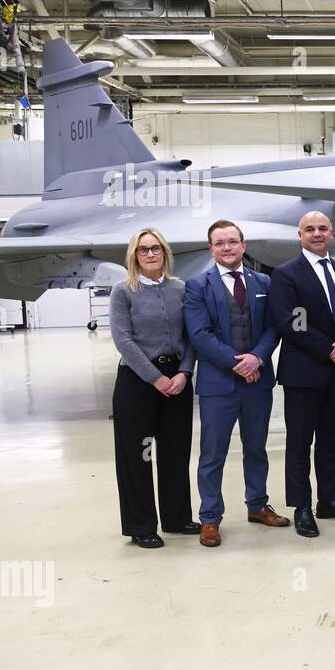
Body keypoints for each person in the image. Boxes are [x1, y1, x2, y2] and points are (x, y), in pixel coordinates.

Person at [183, 220, 289, 548]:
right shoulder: (197, 286)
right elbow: (200, 335)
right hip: (219, 385)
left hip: (258, 382)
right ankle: (210, 518)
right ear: (211, 248)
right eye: (219, 243)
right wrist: (238, 364)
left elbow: (274, 327)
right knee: (212, 453)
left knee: (256, 448)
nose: (227, 248)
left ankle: (257, 506)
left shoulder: (265, 282)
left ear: (244, 245)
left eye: (232, 242)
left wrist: (256, 358)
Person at [267, 210, 335, 538]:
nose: (316, 234)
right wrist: (330, 349)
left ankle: (329, 500)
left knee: (330, 440)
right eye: (309, 229)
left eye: (322, 228)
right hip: (303, 373)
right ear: (300, 236)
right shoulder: (286, 274)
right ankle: (302, 507)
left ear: (331, 233)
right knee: (299, 443)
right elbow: (291, 322)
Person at [109, 228, 199, 548]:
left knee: (175, 453)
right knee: (139, 456)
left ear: (165, 253)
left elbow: (191, 336)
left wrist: (184, 372)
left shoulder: (181, 289)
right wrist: (155, 378)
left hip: (177, 380)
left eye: (155, 248)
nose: (149, 254)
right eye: (143, 249)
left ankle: (177, 517)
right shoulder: (123, 291)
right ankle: (141, 524)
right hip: (138, 382)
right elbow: (123, 340)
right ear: (134, 255)